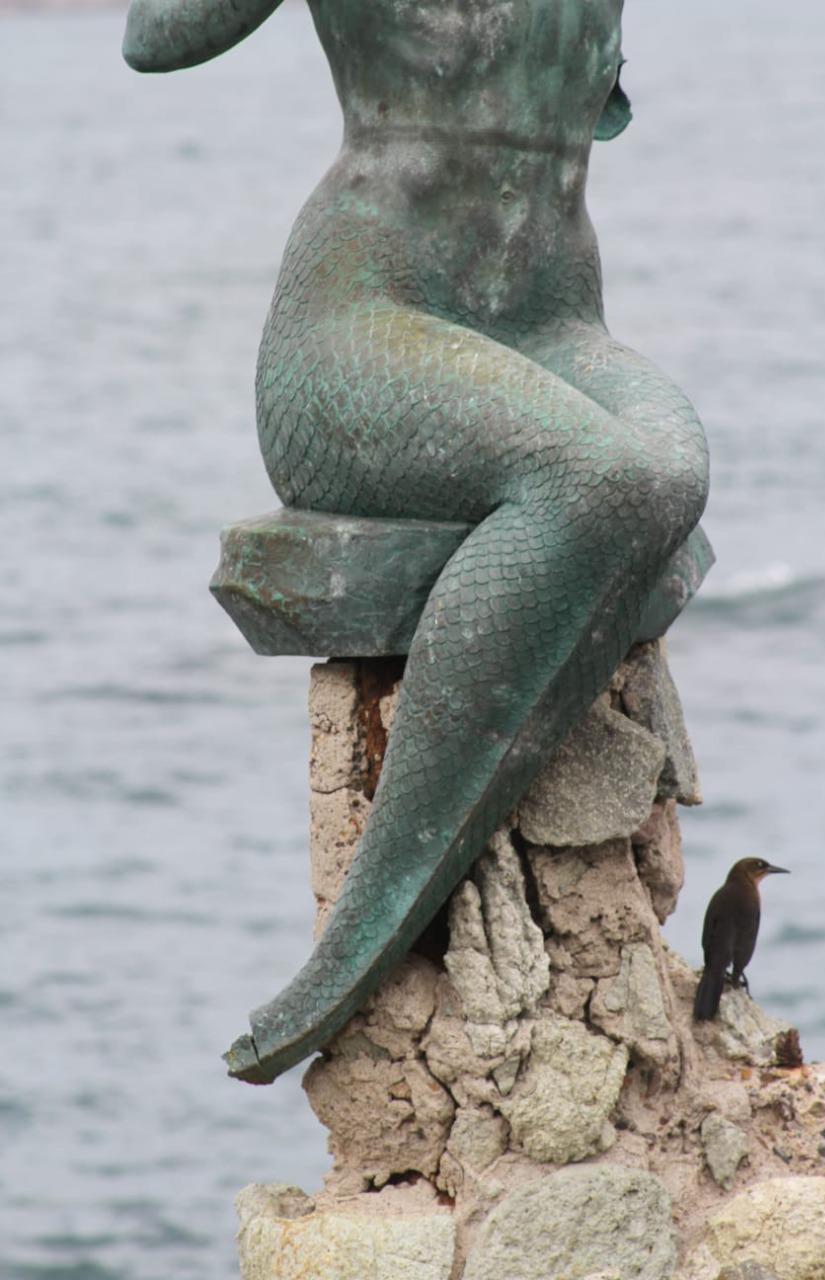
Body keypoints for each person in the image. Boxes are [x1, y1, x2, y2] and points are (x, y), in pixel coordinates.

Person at [124, 0, 710, 1082]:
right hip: (361, 319)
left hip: (550, 319)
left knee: (670, 475)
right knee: (601, 477)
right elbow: (155, 37)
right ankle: (367, 931)